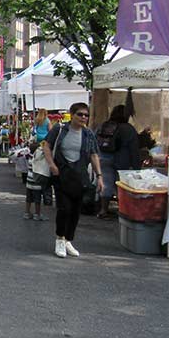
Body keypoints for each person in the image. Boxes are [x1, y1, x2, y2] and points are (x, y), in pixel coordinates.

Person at [43, 102, 104, 259]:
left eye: (86, 115)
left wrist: (99, 176)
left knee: (76, 210)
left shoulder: (88, 134)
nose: (83, 117)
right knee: (64, 208)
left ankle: (68, 239)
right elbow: (46, 146)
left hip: (79, 175)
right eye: (80, 114)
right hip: (61, 173)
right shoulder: (60, 129)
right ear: (72, 114)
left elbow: (94, 154)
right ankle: (60, 238)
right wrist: (51, 164)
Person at [95, 104, 141, 218]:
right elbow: (134, 149)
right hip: (122, 161)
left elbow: (95, 142)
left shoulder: (103, 125)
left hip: (103, 159)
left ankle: (103, 210)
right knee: (122, 186)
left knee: (106, 184)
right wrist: (136, 167)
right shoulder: (128, 129)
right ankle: (123, 210)